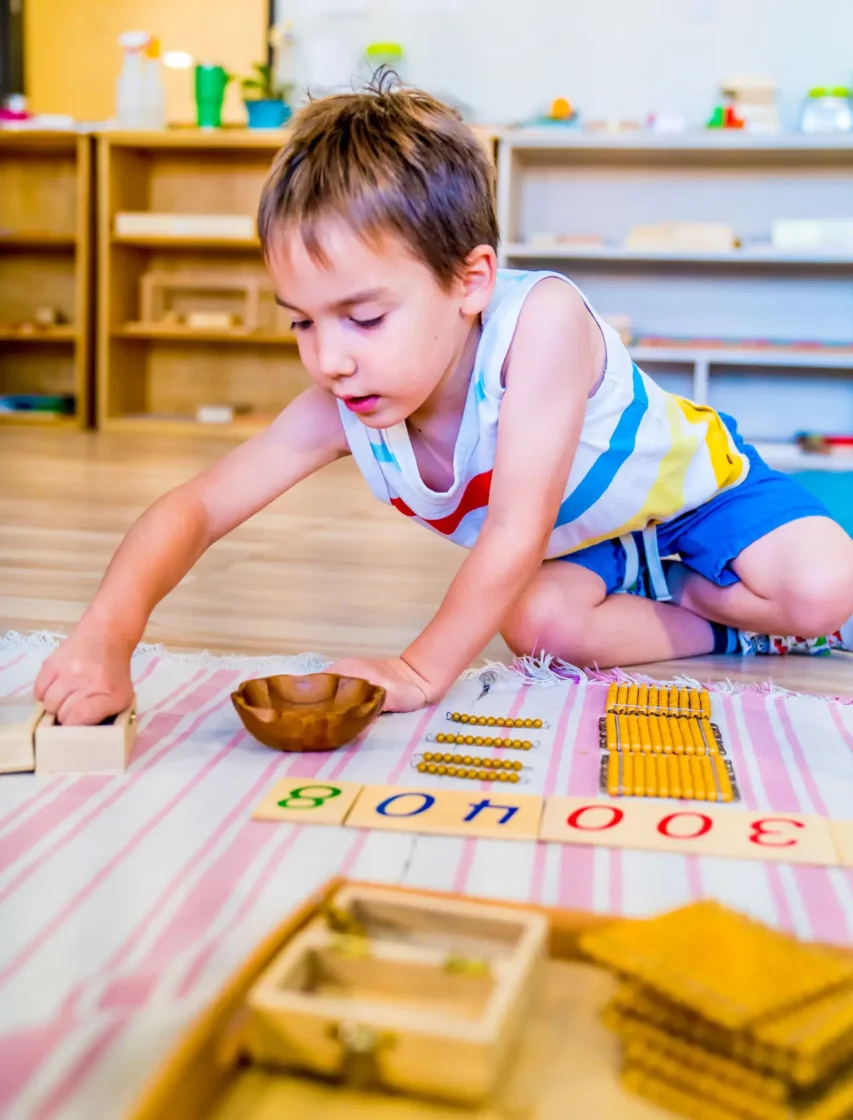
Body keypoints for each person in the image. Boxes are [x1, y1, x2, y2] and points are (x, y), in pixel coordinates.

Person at [35, 78, 853, 724]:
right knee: (536, 631)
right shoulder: (343, 399)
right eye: (301, 323)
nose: (329, 359)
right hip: (591, 545)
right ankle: (729, 620)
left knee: (824, 589)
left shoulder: (541, 324)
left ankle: (757, 598)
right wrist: (110, 630)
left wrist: (422, 670)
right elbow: (199, 508)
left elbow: (515, 527)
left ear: (471, 281)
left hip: (696, 497)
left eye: (363, 317)